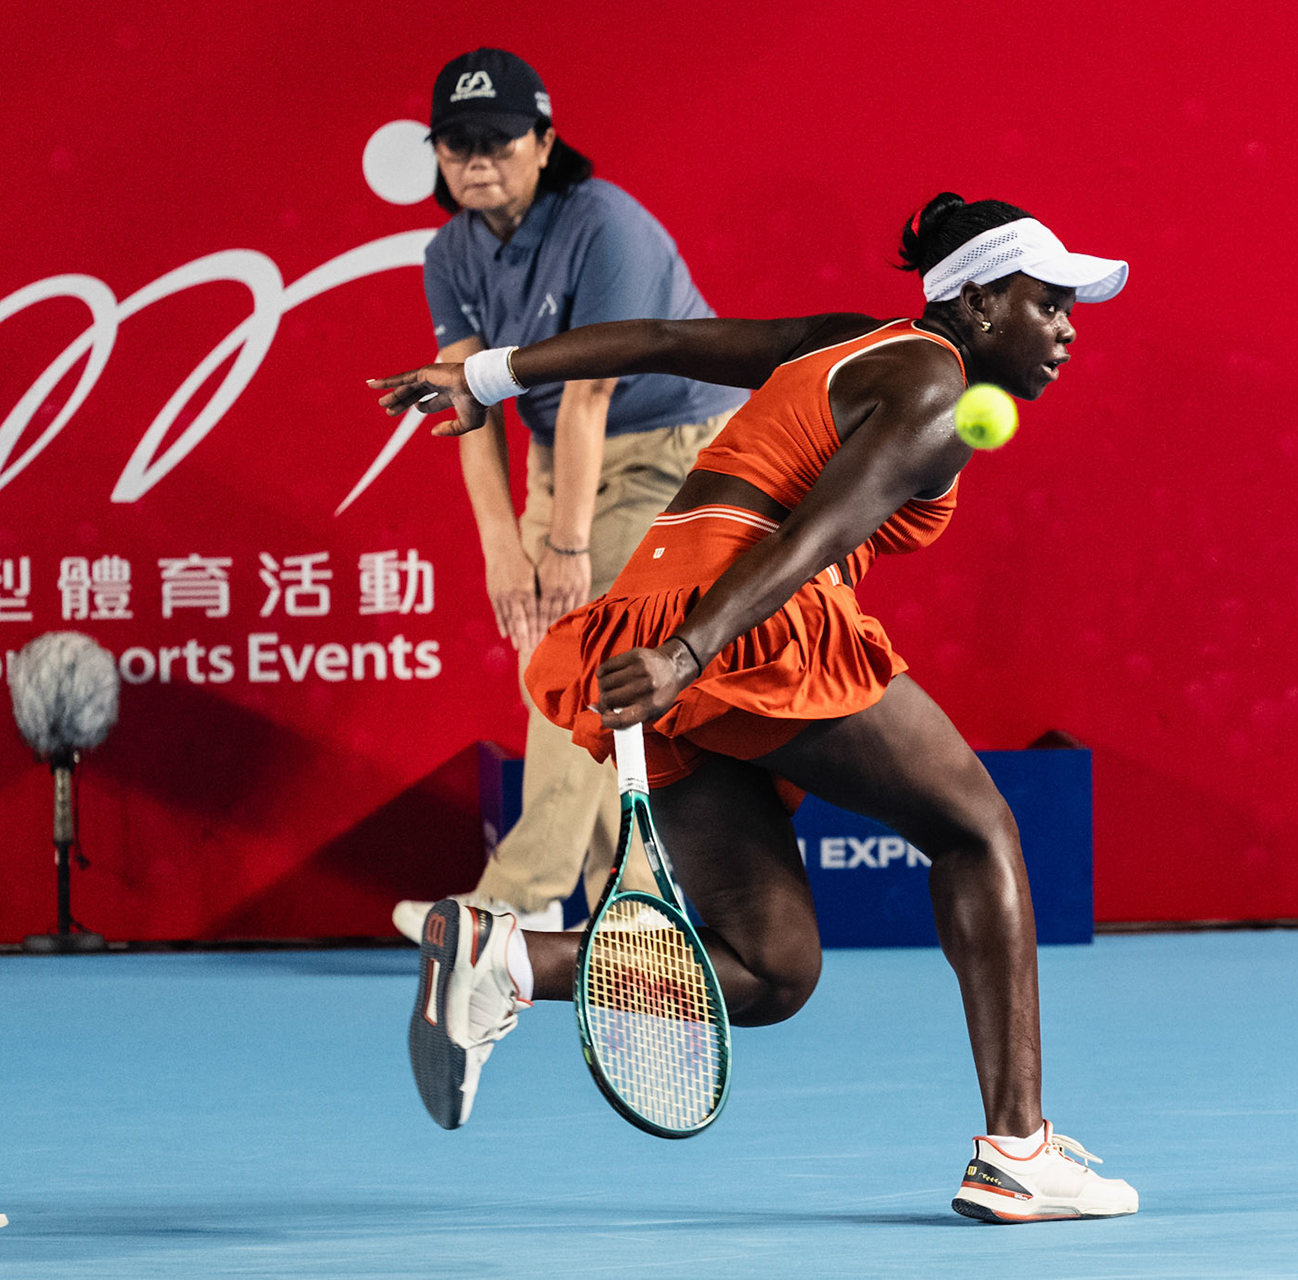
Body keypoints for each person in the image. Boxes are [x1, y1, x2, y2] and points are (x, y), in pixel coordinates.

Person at [372, 193, 1136, 1223]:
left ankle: (503, 956)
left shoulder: (852, 343)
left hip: (652, 612)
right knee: (978, 828)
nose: (1068, 329)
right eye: (1049, 304)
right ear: (984, 301)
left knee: (770, 971)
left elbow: (658, 339)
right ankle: (1018, 1147)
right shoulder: (938, 391)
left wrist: (481, 373)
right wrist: (690, 652)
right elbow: (810, 539)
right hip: (735, 624)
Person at [392, 48, 746, 938]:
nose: (477, 160)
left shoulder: (605, 226)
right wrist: (504, 549)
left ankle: (519, 893)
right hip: (566, 455)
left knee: (582, 654)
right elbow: (463, 400)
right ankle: (632, 909)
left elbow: (594, 390)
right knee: (556, 663)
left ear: (545, 143)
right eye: (456, 143)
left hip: (676, 444)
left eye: (499, 140)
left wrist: (567, 544)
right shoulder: (450, 252)